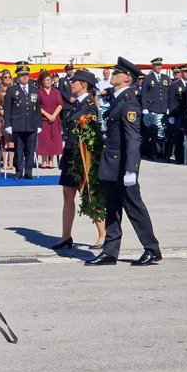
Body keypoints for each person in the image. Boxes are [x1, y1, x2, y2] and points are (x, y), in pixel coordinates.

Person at [85, 57, 161, 267]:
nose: (113, 74)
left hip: (122, 167)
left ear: (127, 78)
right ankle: (110, 252)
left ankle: (152, 249)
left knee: (134, 209)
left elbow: (133, 140)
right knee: (112, 209)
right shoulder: (118, 99)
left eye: (116, 72)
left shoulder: (129, 103)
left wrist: (131, 170)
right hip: (112, 165)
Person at [52, 69, 105, 250]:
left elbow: (90, 133)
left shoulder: (89, 105)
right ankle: (66, 236)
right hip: (71, 153)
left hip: (82, 156)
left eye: (75, 81)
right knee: (68, 194)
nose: (71, 84)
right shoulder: (76, 104)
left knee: (89, 194)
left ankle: (103, 233)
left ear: (84, 84)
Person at [3, 64, 41, 180]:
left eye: (26, 75)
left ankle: (28, 172)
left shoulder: (34, 89)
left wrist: (39, 124)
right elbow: (7, 109)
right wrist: (8, 125)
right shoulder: (12, 90)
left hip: (31, 124)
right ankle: (18, 172)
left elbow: (38, 108)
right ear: (18, 77)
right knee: (18, 149)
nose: (25, 77)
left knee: (30, 149)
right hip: (18, 124)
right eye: (22, 75)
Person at [36, 70, 63, 169]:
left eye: (49, 80)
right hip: (43, 119)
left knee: (54, 139)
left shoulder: (56, 91)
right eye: (45, 80)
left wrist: (54, 116)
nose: (48, 82)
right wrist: (47, 115)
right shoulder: (39, 92)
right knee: (44, 139)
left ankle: (51, 160)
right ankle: (43, 160)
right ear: (42, 81)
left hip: (55, 118)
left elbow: (60, 104)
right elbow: (38, 106)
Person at [0, 69, 14, 170]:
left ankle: (11, 163)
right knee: (4, 141)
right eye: (5, 77)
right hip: (2, 118)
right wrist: (0, 111)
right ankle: (4, 162)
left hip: (14, 118)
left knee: (12, 141)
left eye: (9, 77)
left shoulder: (15, 90)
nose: (7, 79)